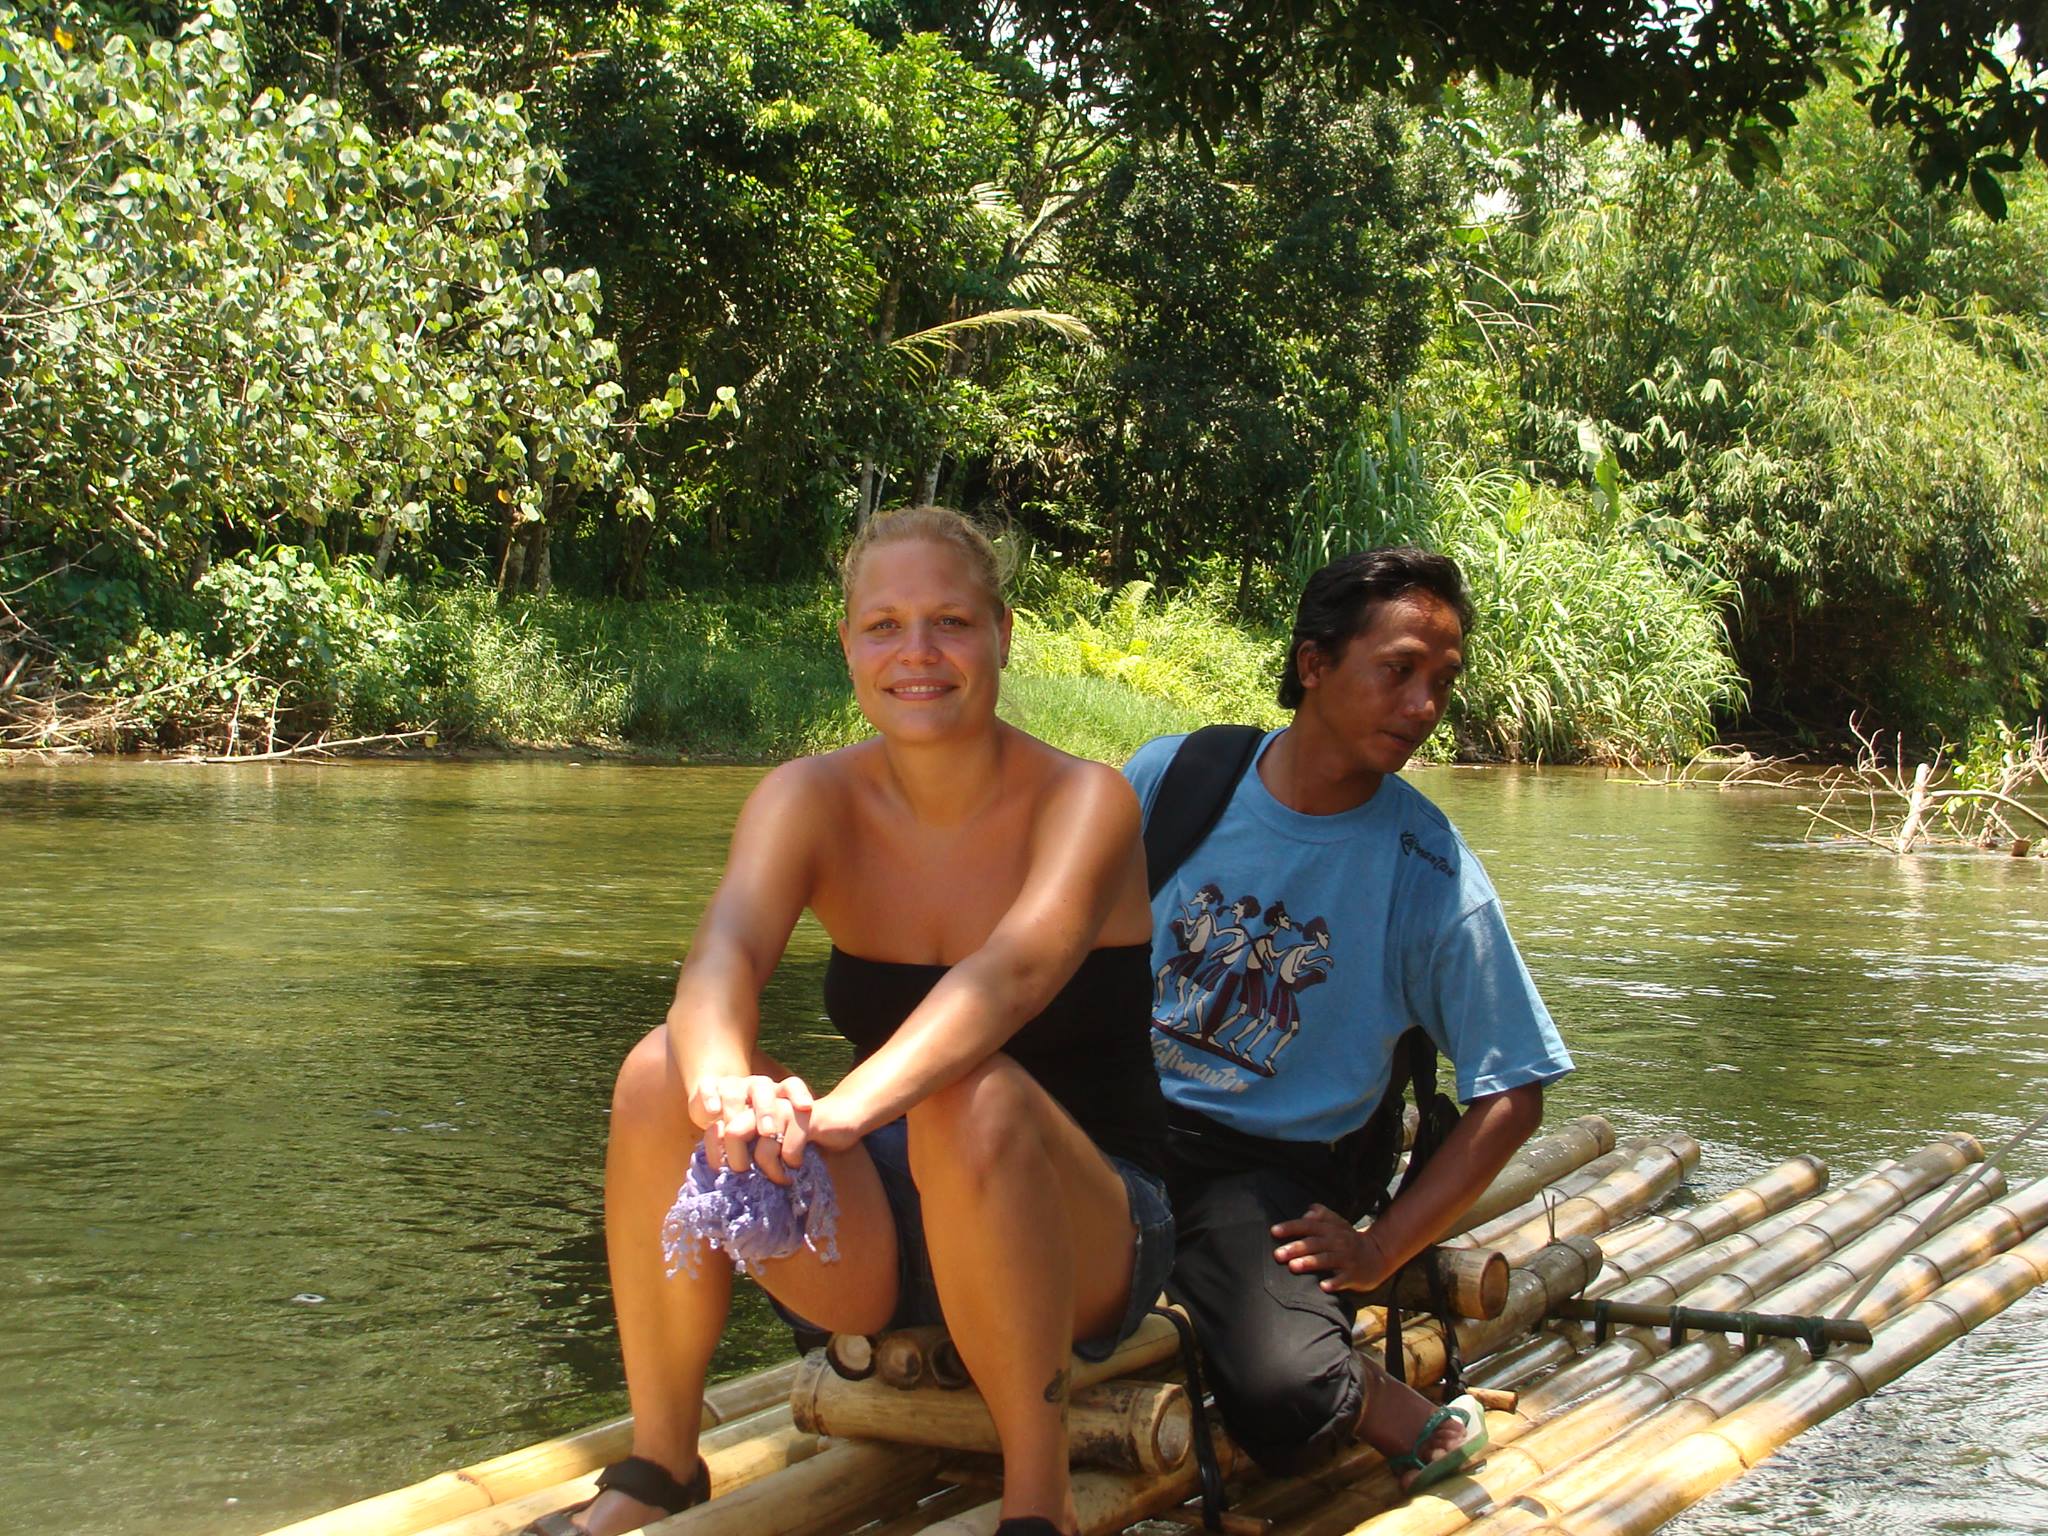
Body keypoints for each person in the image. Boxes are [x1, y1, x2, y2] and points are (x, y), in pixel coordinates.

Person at [531, 508, 1174, 1536]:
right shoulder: (808, 798)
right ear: (847, 646)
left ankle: (1036, 1502)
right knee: (659, 1071)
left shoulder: (1085, 800)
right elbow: (723, 958)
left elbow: (1008, 978)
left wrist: (835, 1112)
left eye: (950, 622)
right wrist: (723, 1092)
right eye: (884, 626)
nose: (917, 652)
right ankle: (661, 1464)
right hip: (885, 1220)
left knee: (967, 1089)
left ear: (1002, 635)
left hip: (1085, 1225)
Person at [1122, 547, 1573, 1485]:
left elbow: (1514, 1091)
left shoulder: (1428, 871)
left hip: (1266, 1173)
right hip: (1113, 1126)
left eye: (1442, 681)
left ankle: (1385, 1402)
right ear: (1314, 663)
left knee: (1288, 1394)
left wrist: (1379, 1248)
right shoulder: (1176, 777)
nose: (1424, 706)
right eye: (1398, 670)